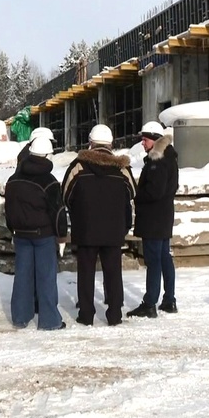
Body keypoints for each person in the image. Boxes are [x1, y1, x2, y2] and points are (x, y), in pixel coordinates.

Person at [62, 123, 136, 326]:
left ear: (91, 143)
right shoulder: (121, 168)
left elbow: (66, 194)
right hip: (113, 230)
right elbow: (132, 192)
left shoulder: (78, 166)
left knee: (86, 273)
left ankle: (86, 315)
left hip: (85, 229)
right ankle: (114, 314)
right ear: (111, 144)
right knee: (113, 273)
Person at [4, 136, 67, 331]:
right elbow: (58, 212)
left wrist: (12, 229)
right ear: (48, 156)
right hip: (43, 235)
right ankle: (50, 321)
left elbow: (9, 208)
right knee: (46, 277)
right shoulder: (49, 181)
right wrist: (62, 236)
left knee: (22, 276)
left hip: (21, 234)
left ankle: (20, 316)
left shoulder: (13, 179)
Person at [128, 121, 180, 318]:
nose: (143, 143)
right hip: (164, 216)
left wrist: (136, 195)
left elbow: (154, 191)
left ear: (156, 140)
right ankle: (169, 300)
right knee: (164, 257)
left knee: (154, 260)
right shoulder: (169, 157)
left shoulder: (157, 160)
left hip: (153, 218)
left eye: (145, 139)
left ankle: (150, 303)